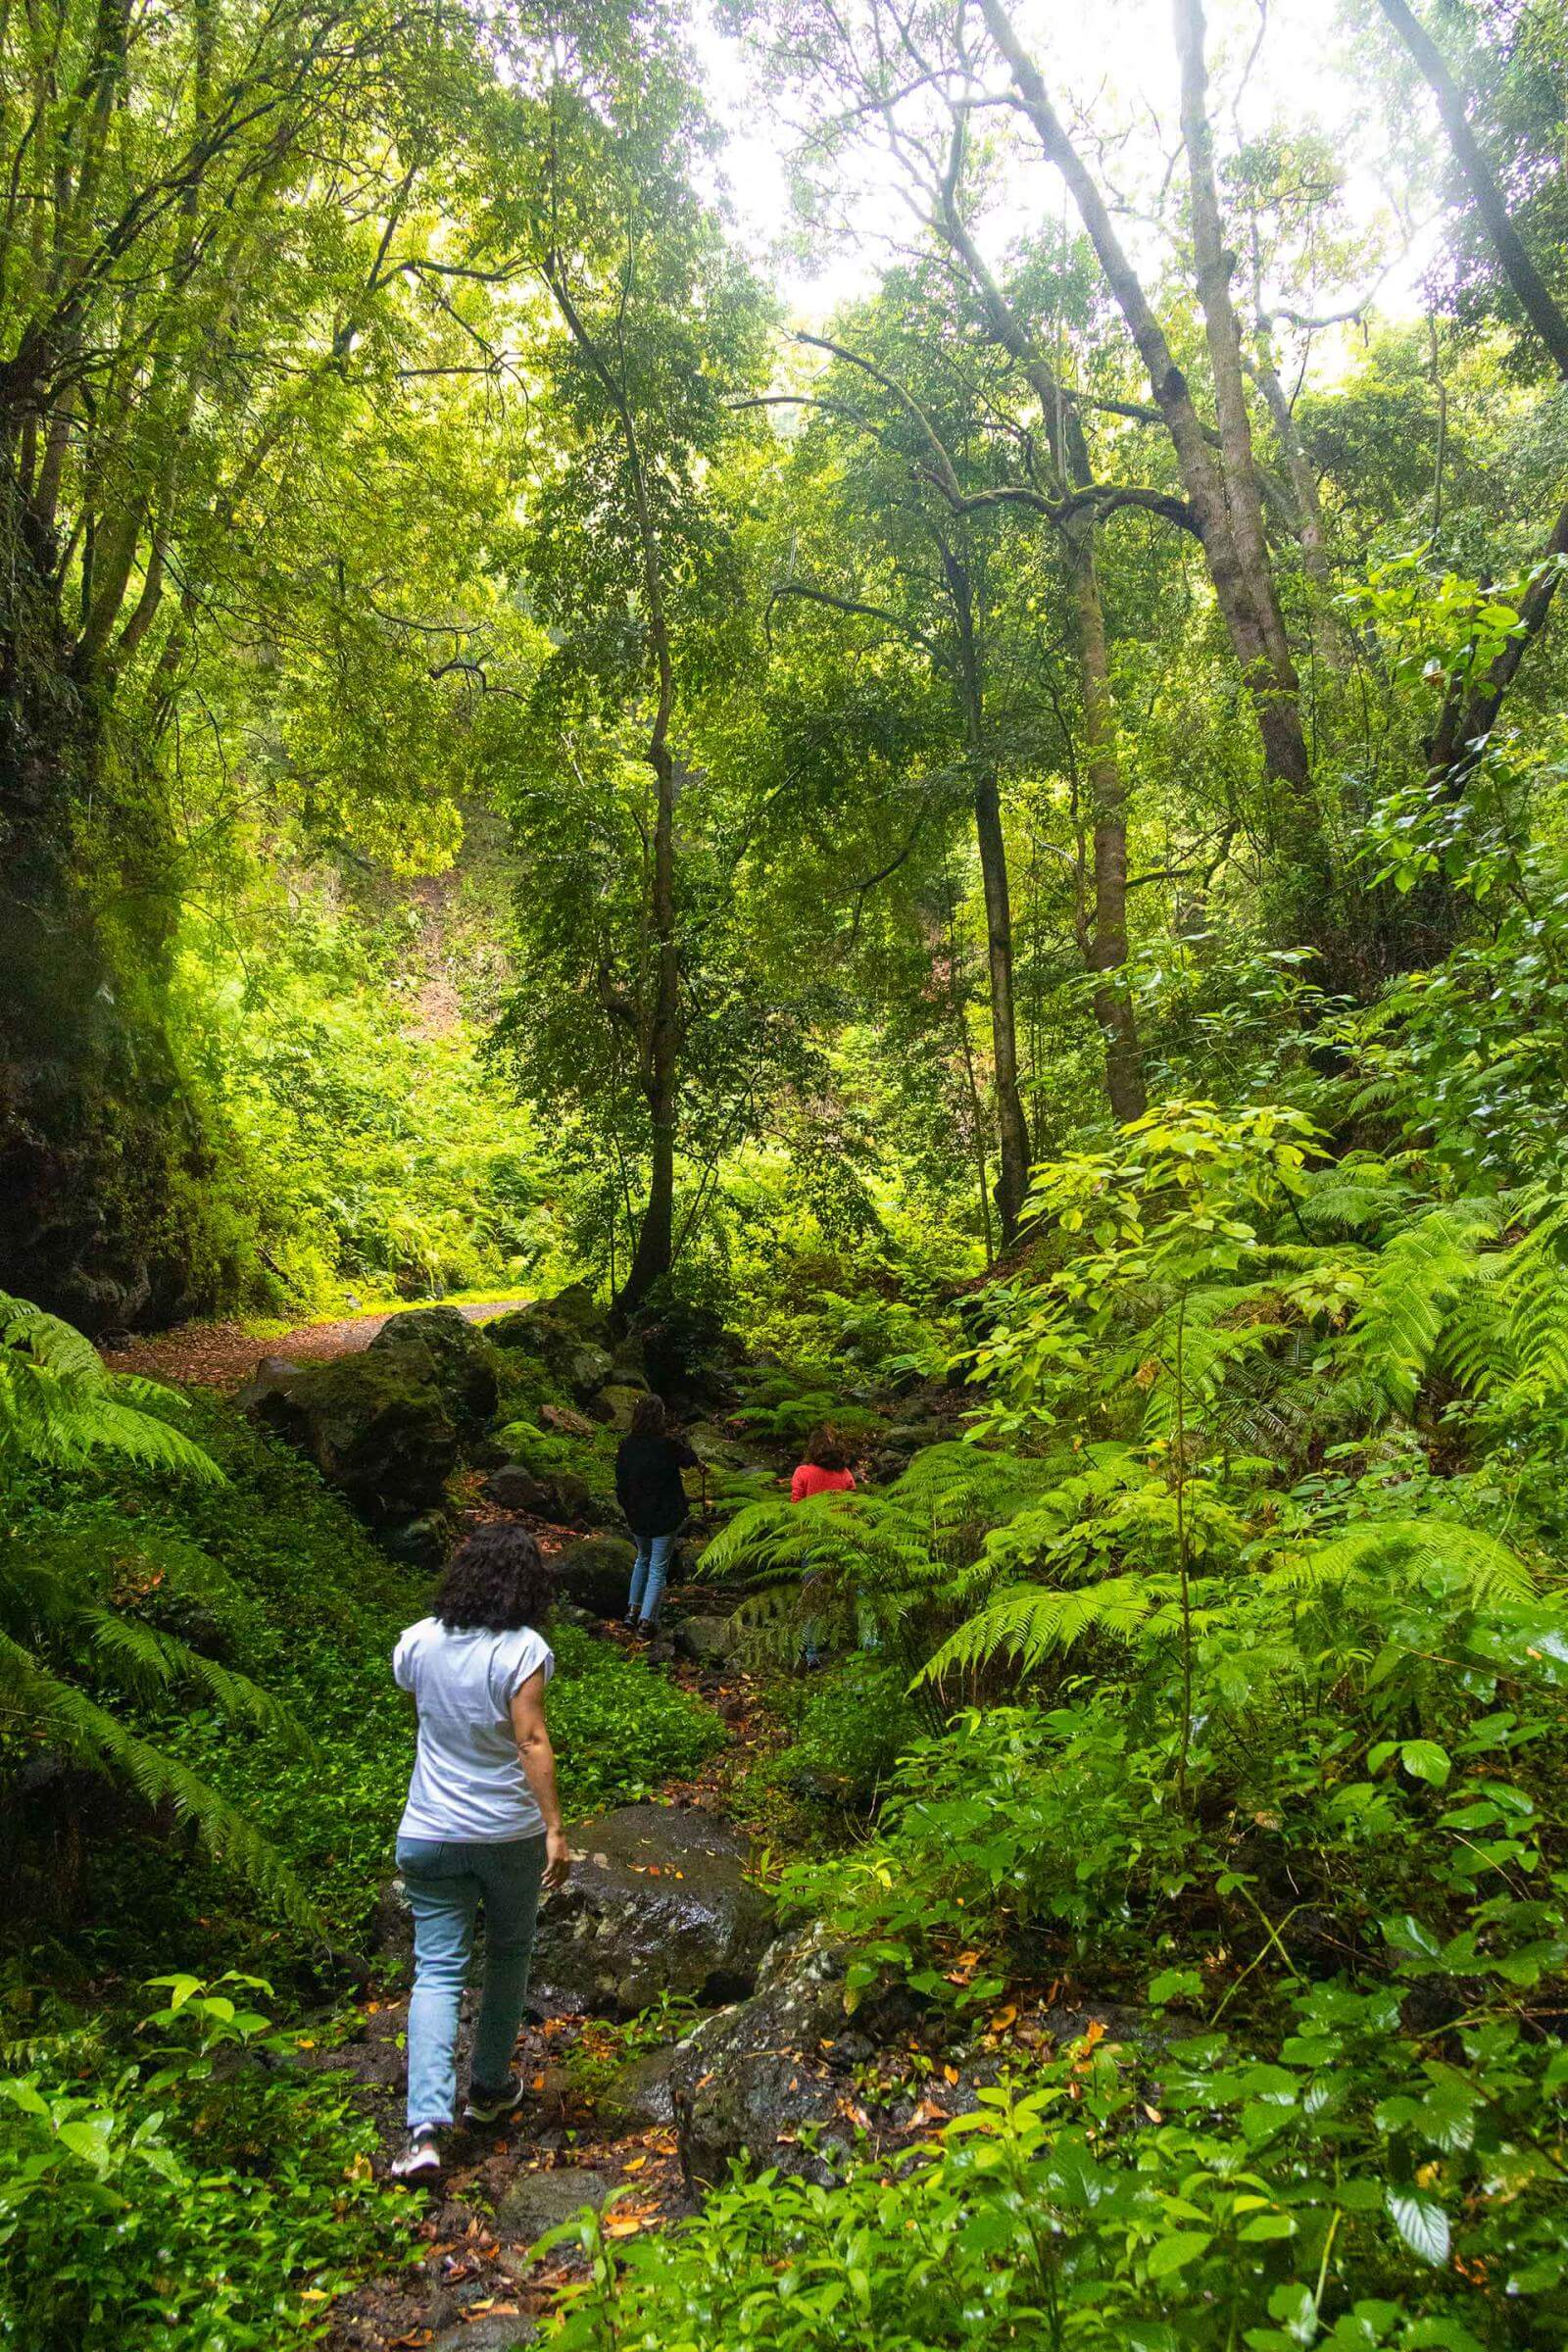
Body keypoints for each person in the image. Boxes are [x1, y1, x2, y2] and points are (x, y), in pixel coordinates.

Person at [388, 1522, 570, 2183]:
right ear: (528, 1583)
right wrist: (554, 1827)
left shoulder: (418, 1641)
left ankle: (426, 2129)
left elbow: (419, 1702)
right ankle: (489, 2088)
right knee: (509, 1953)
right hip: (506, 1834)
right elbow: (531, 1741)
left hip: (429, 1830)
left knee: (436, 1970)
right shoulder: (523, 1650)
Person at [614, 1393, 699, 1632]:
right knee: (658, 1567)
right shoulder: (667, 1445)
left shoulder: (627, 1445)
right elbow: (689, 1460)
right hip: (664, 1516)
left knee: (642, 1559)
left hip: (637, 1515)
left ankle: (632, 1610)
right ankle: (647, 1620)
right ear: (660, 1417)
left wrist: (627, 1506)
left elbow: (621, 1481)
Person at [790, 1423, 858, 1503]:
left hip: (809, 1515)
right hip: (839, 1516)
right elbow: (852, 1504)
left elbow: (796, 1505)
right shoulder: (845, 1473)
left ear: (812, 1447)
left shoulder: (802, 1472)